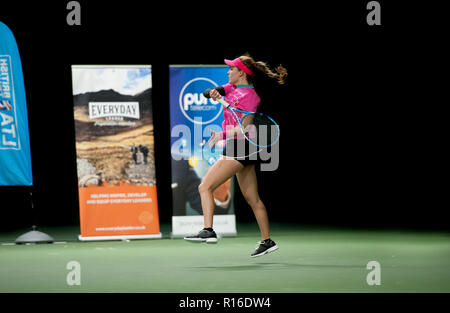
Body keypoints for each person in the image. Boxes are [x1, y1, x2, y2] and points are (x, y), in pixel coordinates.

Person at [184, 55, 287, 257]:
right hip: (241, 147)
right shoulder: (231, 88)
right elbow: (210, 92)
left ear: (241, 73)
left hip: (242, 145)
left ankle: (208, 230)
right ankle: (267, 241)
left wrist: (220, 135)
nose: (228, 71)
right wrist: (212, 93)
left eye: (232, 69)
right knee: (252, 199)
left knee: (205, 186)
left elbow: (244, 129)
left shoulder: (251, 97)